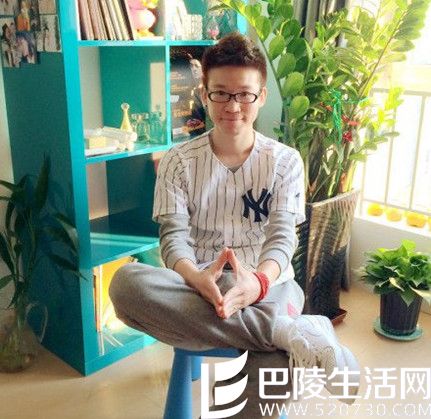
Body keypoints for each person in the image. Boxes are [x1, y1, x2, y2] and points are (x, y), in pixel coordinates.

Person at [110, 32, 360, 417]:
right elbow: (173, 238)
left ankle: (275, 328)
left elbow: (282, 238)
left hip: (269, 285)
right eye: (221, 93)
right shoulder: (178, 161)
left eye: (244, 94)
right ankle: (285, 330)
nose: (232, 106)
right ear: (204, 94)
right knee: (125, 285)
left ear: (261, 96)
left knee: (276, 366)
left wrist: (258, 282)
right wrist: (195, 277)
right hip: (197, 286)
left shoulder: (285, 162)